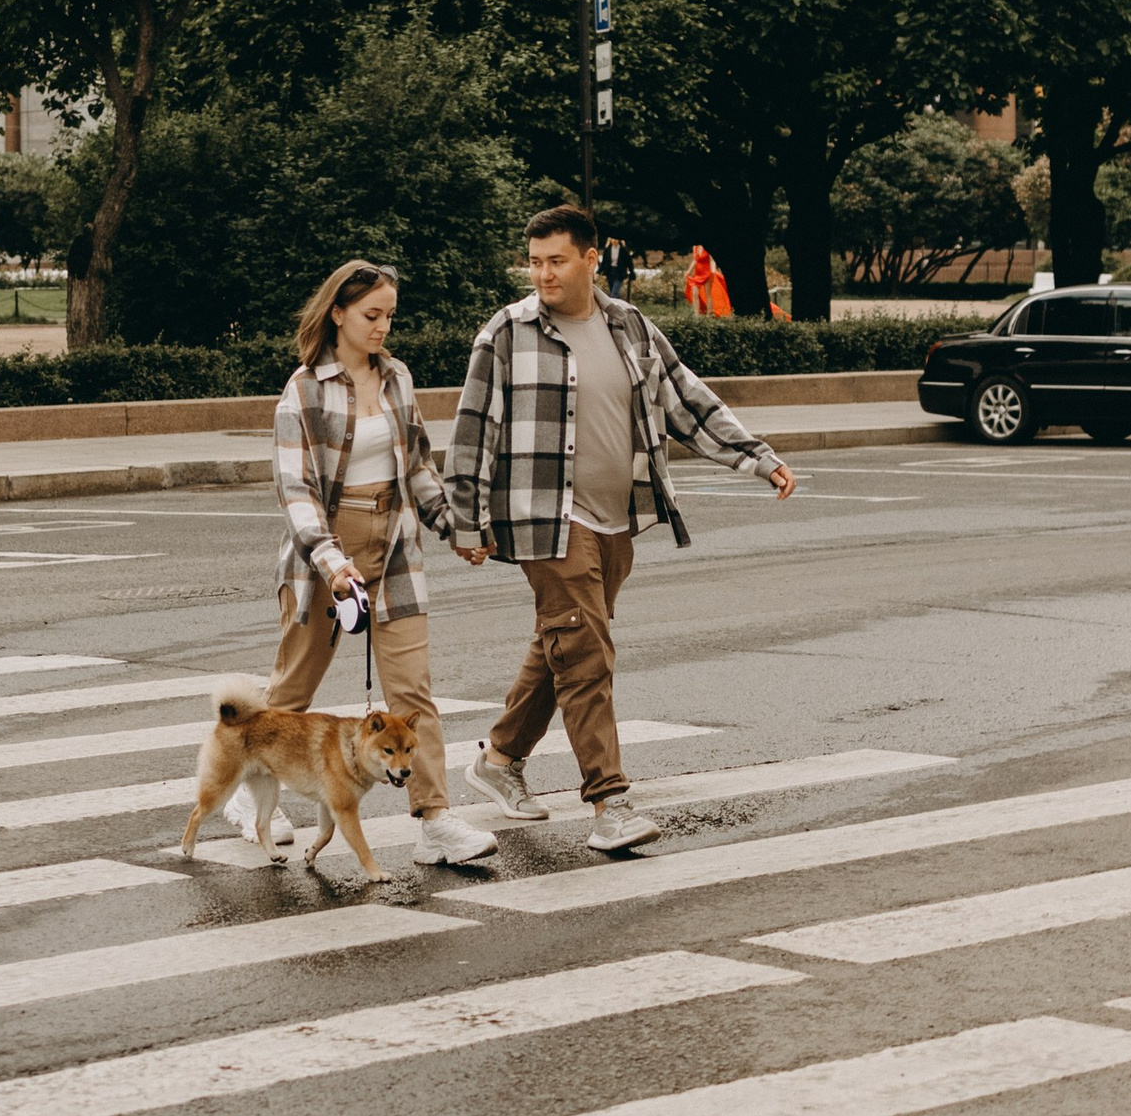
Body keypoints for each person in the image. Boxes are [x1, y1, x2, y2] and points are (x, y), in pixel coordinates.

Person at [450, 203, 796, 856]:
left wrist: (756, 455)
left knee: (566, 641)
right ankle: (609, 802)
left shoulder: (630, 326)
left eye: (556, 261)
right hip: (546, 518)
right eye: (535, 261)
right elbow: (473, 429)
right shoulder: (507, 333)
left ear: (590, 258)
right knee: (586, 653)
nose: (543, 274)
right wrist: (465, 516)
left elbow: (685, 400)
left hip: (618, 518)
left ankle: (498, 758)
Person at [263, 258, 502, 869]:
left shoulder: (396, 377)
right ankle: (253, 794)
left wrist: (455, 528)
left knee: (411, 693)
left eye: (389, 316)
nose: (382, 328)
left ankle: (436, 820)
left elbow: (418, 466)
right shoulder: (305, 388)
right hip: (326, 549)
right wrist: (330, 561)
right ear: (337, 312)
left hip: (394, 545)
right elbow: (297, 490)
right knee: (291, 692)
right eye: (372, 315)